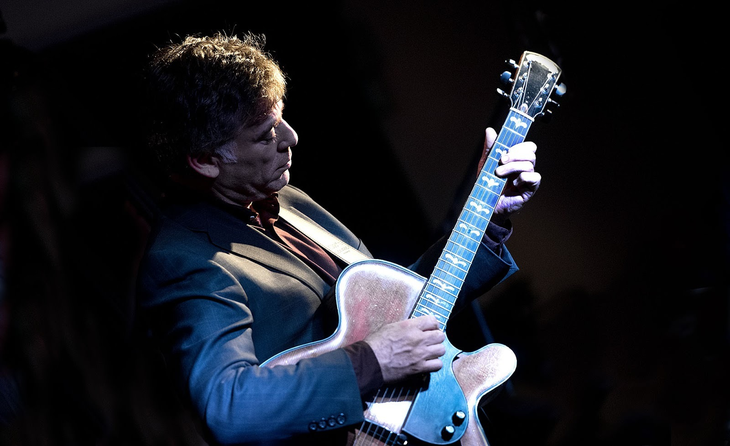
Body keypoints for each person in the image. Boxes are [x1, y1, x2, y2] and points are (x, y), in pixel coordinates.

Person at [136, 32, 541, 446]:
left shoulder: (286, 199)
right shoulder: (183, 259)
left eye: (281, 118)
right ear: (205, 160)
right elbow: (228, 407)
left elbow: (399, 307)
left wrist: (487, 218)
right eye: (265, 134)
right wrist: (374, 361)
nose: (291, 138)